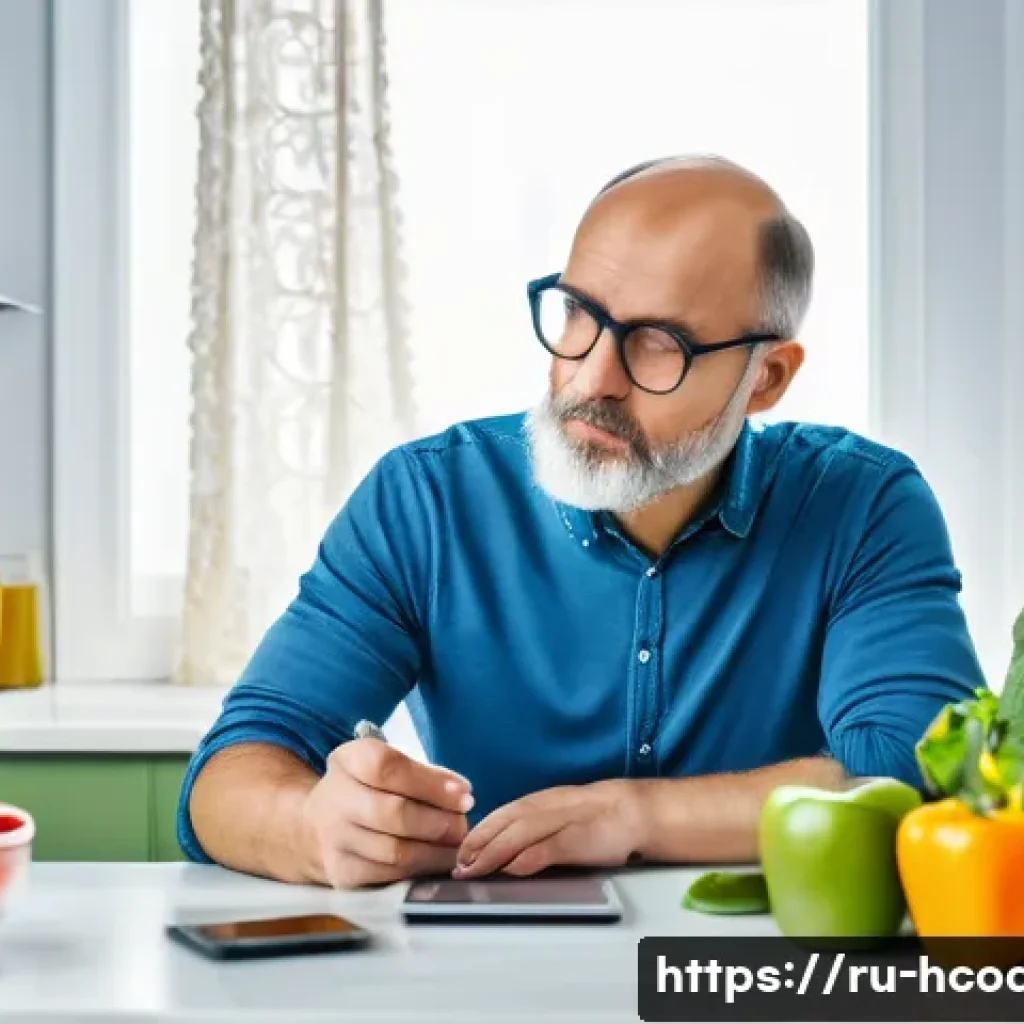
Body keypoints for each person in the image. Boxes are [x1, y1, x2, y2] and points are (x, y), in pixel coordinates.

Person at [178, 155, 984, 889]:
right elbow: (230, 775)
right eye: (579, 313)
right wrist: (315, 828)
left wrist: (630, 816)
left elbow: (922, 776)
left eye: (660, 342)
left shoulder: (864, 505)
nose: (591, 376)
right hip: (495, 976)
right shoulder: (425, 500)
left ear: (765, 378)